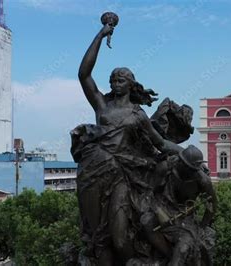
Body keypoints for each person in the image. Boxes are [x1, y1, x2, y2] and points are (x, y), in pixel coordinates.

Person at [72, 23, 182, 265]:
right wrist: (100, 35)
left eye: (121, 79)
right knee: (97, 238)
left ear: (131, 84)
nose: (115, 81)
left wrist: (186, 154)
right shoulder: (102, 105)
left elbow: (160, 143)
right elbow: (84, 74)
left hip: (122, 175)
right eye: (113, 78)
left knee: (120, 238)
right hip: (91, 174)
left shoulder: (138, 114)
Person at [137, 145, 217, 265]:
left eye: (193, 169)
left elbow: (212, 205)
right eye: (184, 165)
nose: (190, 171)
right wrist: (158, 211)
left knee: (183, 247)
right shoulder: (165, 168)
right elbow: (148, 192)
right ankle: (169, 256)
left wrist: (202, 227)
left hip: (185, 219)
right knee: (146, 222)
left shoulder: (203, 181)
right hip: (162, 208)